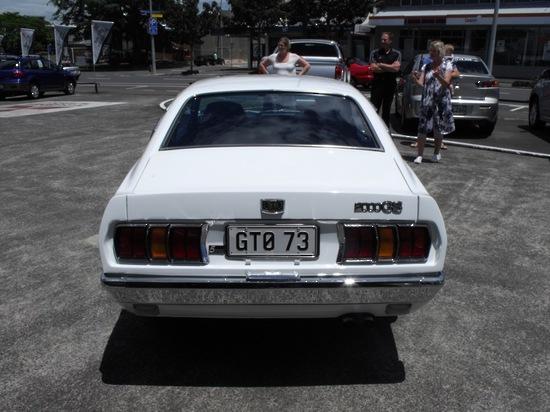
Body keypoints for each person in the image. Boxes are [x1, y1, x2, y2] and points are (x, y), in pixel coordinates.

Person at [412, 40, 455, 164]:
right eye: (430, 51)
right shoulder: (427, 66)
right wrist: (415, 79)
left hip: (441, 102)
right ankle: (419, 155)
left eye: (433, 52)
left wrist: (438, 76)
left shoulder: (447, 65)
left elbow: (446, 83)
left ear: (439, 52)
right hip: (427, 101)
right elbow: (422, 84)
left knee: (438, 129)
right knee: (422, 128)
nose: (430, 54)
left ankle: (436, 153)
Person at [369, 32, 401, 127]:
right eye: (381, 39)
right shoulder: (374, 53)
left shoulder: (396, 53)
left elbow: (396, 68)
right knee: (374, 109)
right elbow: (373, 68)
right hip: (377, 85)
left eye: (385, 40)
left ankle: (385, 131)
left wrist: (381, 65)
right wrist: (390, 67)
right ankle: (373, 129)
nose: (382, 41)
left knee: (386, 111)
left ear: (390, 41)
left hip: (390, 86)